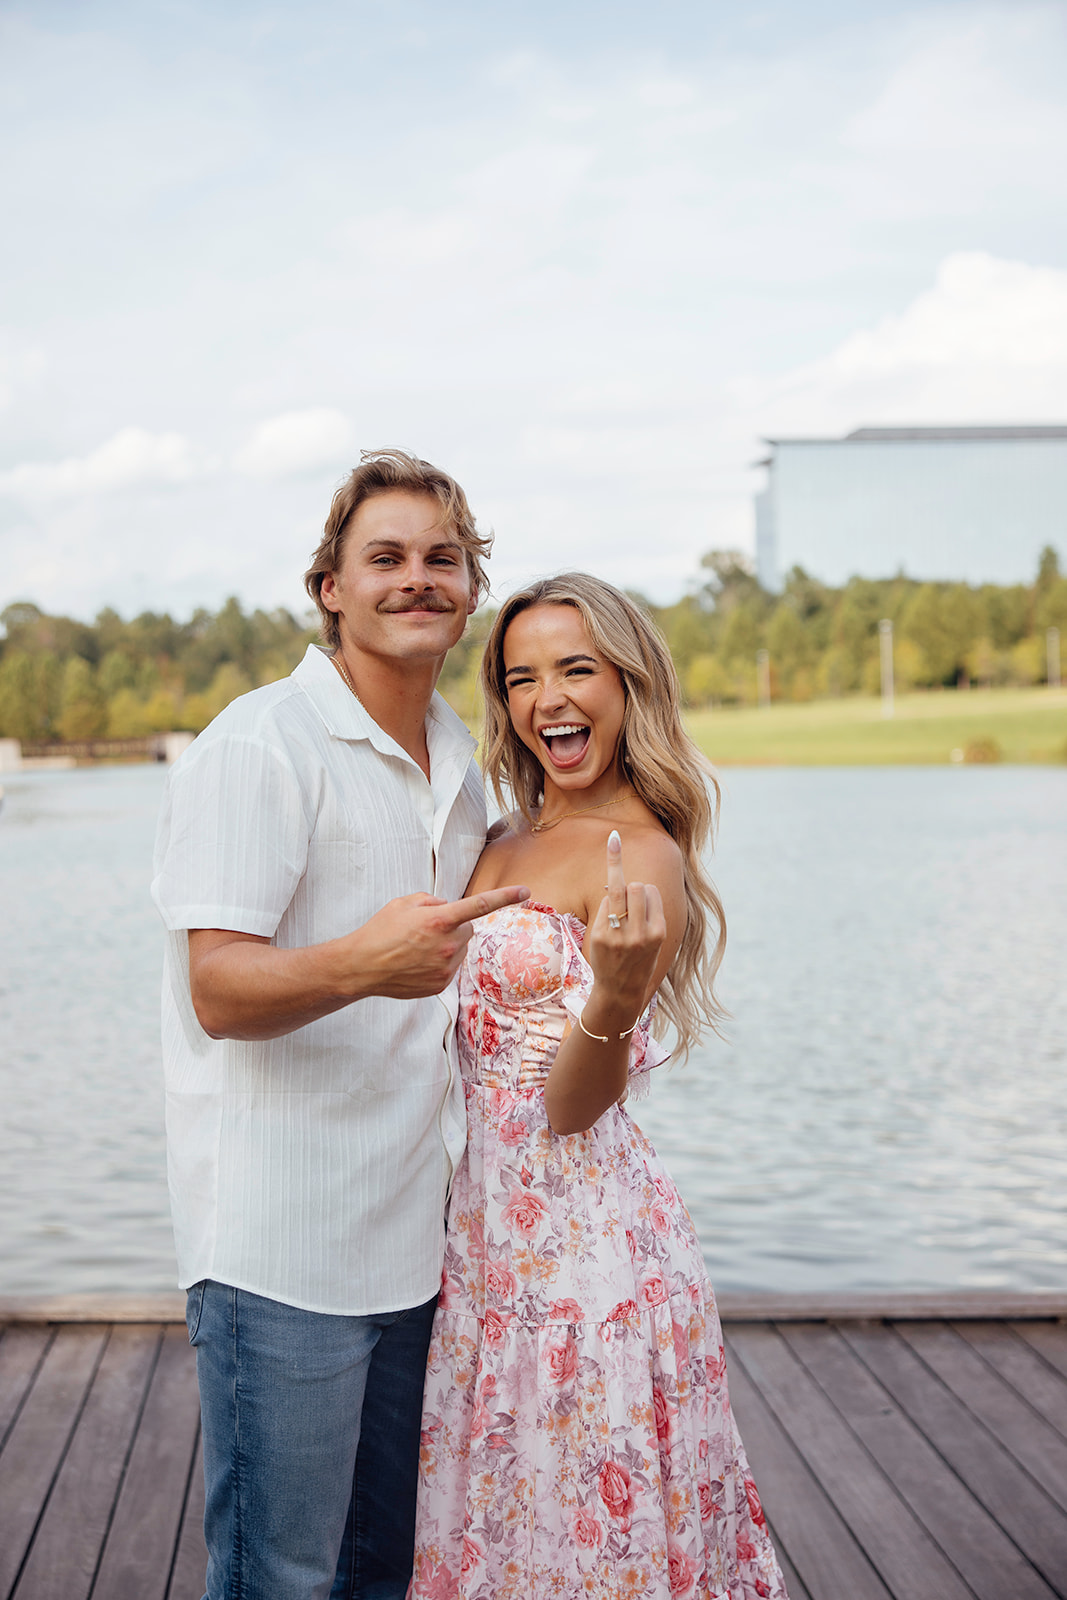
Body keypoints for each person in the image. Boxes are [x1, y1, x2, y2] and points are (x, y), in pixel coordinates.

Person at [151, 448, 527, 1600]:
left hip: (414, 1248)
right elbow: (218, 990)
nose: (417, 578)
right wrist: (369, 961)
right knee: (279, 1574)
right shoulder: (261, 743)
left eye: (440, 558)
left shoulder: (462, 765)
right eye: (386, 557)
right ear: (331, 586)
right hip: (280, 1249)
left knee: (377, 1574)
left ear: (468, 593)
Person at [410, 573, 788, 1600]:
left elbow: (574, 1106)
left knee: (582, 1518)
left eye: (576, 668)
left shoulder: (644, 854)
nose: (548, 700)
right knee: (503, 1508)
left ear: (627, 682)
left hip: (586, 1249)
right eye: (522, 677)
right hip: (485, 1234)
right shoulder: (498, 834)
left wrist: (617, 993)